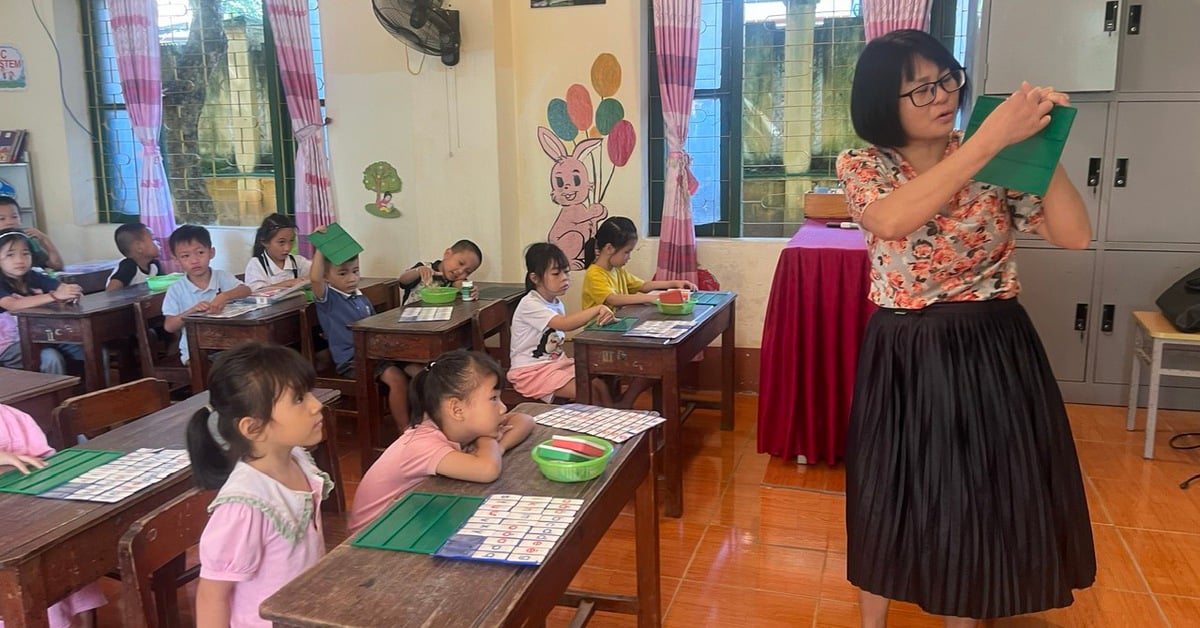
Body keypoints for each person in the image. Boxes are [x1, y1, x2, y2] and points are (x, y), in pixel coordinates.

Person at [835, 29, 1095, 626]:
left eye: (947, 79)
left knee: (979, 492)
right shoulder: (864, 163)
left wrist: (1043, 145)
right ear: (883, 102)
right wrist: (988, 141)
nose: (941, 96)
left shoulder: (997, 158)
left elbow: (1074, 236)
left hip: (992, 343)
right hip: (907, 345)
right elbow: (892, 218)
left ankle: (965, 612)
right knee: (887, 487)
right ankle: (871, 621)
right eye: (919, 89)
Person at [187, 343, 332, 628]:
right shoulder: (245, 504)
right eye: (300, 399)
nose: (317, 405)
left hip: (306, 614)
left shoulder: (298, 459)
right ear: (253, 428)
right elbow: (211, 596)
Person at [349, 350, 534, 533]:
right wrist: (488, 439)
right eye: (493, 398)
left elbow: (525, 420)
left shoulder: (457, 425)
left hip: (412, 518)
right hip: (376, 534)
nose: (502, 408)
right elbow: (488, 469)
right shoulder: (422, 443)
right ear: (457, 409)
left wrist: (498, 449)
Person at [0, 403, 105, 627]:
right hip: (8, 546)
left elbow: (48, 465)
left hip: (36, 524)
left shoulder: (13, 418)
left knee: (68, 560)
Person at [309, 226, 409, 428]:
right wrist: (321, 247)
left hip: (373, 353)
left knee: (417, 369)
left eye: (355, 271)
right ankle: (405, 431)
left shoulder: (360, 297)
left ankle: (423, 422)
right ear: (328, 277)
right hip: (352, 360)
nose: (352, 278)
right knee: (396, 377)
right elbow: (314, 278)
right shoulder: (329, 300)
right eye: (343, 273)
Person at [508, 242, 624, 405]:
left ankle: (614, 418)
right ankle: (604, 423)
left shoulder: (555, 302)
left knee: (598, 383)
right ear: (535, 278)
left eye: (566, 272)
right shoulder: (530, 304)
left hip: (554, 364)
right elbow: (564, 324)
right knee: (589, 388)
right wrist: (598, 308)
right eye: (556, 274)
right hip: (531, 372)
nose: (564, 278)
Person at [161, 225, 251, 365]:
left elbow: (246, 290)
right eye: (185, 256)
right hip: (195, 350)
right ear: (176, 260)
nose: (194, 260)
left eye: (200, 253)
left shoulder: (221, 277)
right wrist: (190, 312)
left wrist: (225, 296)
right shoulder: (176, 289)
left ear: (211, 252)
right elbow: (169, 326)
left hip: (229, 344)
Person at [0, 229, 84, 373]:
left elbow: (62, 288)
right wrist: (54, 296)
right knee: (50, 357)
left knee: (86, 346)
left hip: (44, 336)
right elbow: (12, 304)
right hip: (9, 345)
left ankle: (93, 391)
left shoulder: (34, 276)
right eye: (10, 255)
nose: (19, 260)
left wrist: (71, 292)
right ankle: (57, 395)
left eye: (25, 254)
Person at [580, 216, 695, 310]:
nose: (629, 257)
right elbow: (613, 299)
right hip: (598, 330)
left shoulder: (618, 270)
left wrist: (674, 283)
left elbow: (643, 286)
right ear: (609, 248)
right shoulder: (594, 274)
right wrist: (650, 298)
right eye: (626, 252)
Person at [397, 239, 482, 304]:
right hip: (411, 320)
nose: (460, 271)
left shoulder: (455, 280)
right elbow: (402, 280)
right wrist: (418, 271)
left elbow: (460, 285)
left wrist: (469, 291)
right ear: (447, 254)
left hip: (439, 321)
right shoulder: (424, 268)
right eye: (460, 263)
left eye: (467, 271)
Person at [244, 214, 311, 292]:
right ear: (264, 241)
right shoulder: (256, 264)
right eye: (281, 242)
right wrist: (289, 283)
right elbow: (256, 292)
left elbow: (319, 273)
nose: (288, 248)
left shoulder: (298, 261)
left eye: (291, 241)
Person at [0, 195, 63, 271]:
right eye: (2, 219)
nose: (9, 222)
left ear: (21, 219)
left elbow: (56, 266)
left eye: (14, 217)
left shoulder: (27, 240)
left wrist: (45, 239)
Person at [105, 222, 162, 290]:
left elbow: (163, 284)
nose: (158, 242)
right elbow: (111, 291)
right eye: (153, 239)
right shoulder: (128, 266)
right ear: (139, 247)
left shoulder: (154, 265)